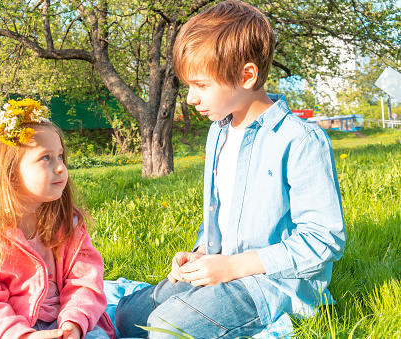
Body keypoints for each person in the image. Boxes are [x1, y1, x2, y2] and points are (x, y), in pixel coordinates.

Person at [115, 1, 346, 338]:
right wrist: (202, 252)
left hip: (272, 284)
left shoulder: (300, 140)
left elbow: (323, 239)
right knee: (126, 317)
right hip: (224, 267)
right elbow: (223, 214)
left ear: (246, 76)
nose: (191, 98)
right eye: (189, 85)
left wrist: (233, 266)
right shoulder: (219, 132)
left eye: (202, 85)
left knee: (166, 328)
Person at [0, 98, 115, 339]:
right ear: (7, 171)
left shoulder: (65, 223)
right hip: (4, 331)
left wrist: (76, 322)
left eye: (60, 156)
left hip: (64, 324)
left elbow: (85, 279)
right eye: (46, 158)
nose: (61, 167)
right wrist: (22, 336)